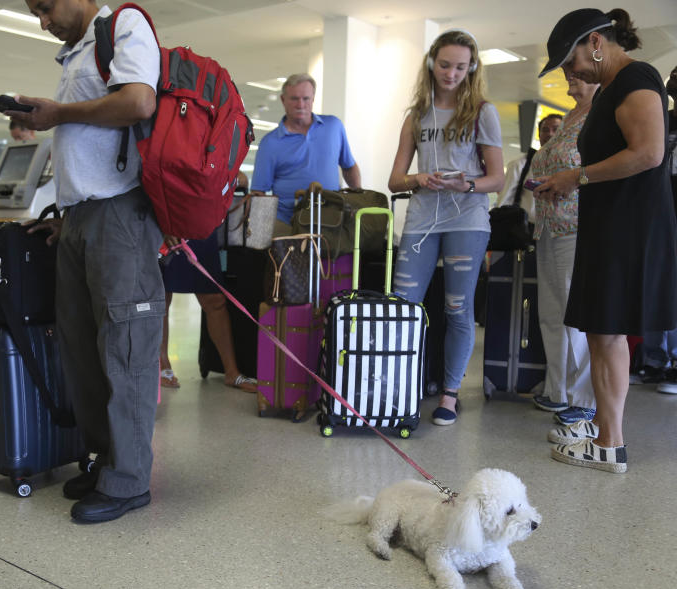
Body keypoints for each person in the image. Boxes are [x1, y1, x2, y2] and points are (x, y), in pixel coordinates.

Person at [8, 0, 162, 523]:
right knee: (84, 351)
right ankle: (106, 460)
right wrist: (66, 216)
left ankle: (129, 479)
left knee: (125, 349)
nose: (42, 20)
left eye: (44, 7)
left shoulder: (123, 25)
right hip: (80, 216)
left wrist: (59, 112)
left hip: (121, 213)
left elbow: (140, 102)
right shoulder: (76, 53)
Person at [535, 8, 677, 473]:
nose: (568, 71)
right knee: (601, 329)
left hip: (628, 223)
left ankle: (610, 444)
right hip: (609, 221)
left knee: (608, 329)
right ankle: (602, 427)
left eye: (569, 59)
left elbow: (649, 152)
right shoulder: (613, 89)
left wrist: (576, 176)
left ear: (595, 42)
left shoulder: (637, 75)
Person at [386, 29, 504, 426]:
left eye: (460, 66)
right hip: (421, 220)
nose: (451, 73)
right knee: (403, 308)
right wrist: (419, 179)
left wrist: (464, 183)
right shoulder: (416, 115)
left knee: (457, 309)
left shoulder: (482, 112)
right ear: (431, 64)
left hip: (467, 220)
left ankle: (450, 396)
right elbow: (395, 179)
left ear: (471, 67)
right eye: (444, 64)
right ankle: (400, 388)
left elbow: (497, 179)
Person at [527, 73, 599, 426]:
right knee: (551, 315)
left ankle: (585, 397)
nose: (570, 82)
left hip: (577, 227)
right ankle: (558, 391)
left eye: (577, 76)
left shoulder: (598, 116)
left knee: (579, 317)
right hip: (547, 227)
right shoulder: (569, 117)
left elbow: (595, 171)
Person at [159, 173, 256, 394]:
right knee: (161, 296)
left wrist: (230, 176)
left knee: (215, 299)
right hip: (170, 211)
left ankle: (231, 371)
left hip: (202, 217)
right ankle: (162, 365)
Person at [250, 73, 361, 236]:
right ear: (283, 100)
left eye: (306, 98)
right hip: (287, 222)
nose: (300, 104)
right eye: (294, 99)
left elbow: (349, 167)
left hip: (332, 219)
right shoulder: (270, 143)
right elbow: (258, 193)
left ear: (313, 98)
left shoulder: (333, 127)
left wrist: (357, 200)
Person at [636, 63, 677, 395]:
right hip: (660, 213)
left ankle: (674, 362)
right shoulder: (665, 121)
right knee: (655, 285)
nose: (672, 80)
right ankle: (653, 361)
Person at [498, 114, 563, 226]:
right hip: (527, 229)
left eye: (555, 129)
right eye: (545, 130)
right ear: (539, 135)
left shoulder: (574, 167)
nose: (550, 134)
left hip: (561, 230)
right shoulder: (520, 165)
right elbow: (504, 201)